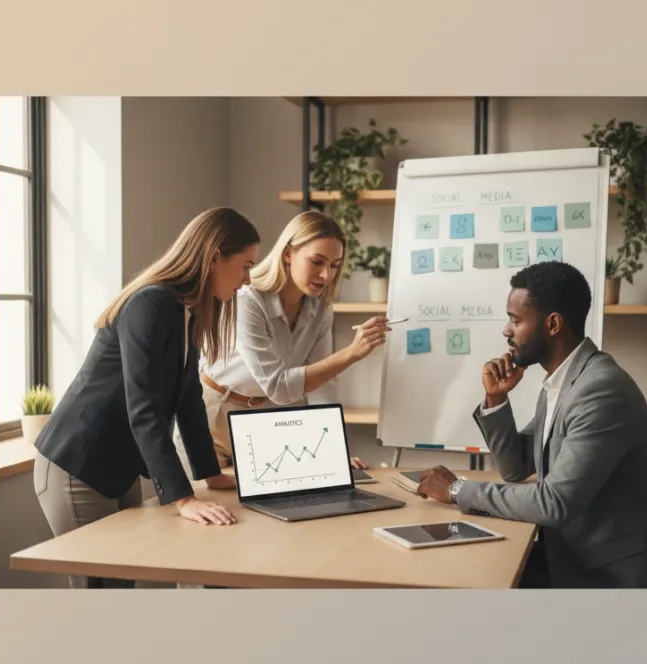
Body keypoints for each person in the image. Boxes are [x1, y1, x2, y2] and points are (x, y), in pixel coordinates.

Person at [415, 260, 647, 589]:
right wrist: (495, 398)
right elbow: (516, 468)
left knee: (472, 580)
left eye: (515, 320)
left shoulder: (600, 391)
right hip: (574, 555)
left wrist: (457, 491)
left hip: (613, 577)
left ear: (553, 323)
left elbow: (554, 502)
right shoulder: (562, 382)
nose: (506, 330)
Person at [32, 207, 260, 588]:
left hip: (116, 467)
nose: (247, 280)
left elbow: (188, 399)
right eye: (245, 266)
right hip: (78, 465)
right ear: (215, 256)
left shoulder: (184, 310)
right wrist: (184, 500)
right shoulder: (150, 304)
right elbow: (145, 409)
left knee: (124, 588)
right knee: (102, 596)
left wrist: (210, 474)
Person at [187, 210, 391, 471]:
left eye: (334, 265)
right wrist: (350, 353)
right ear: (287, 254)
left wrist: (333, 450)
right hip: (212, 413)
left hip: (263, 419)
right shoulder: (248, 299)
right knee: (207, 496)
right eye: (317, 261)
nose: (326, 275)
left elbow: (322, 386)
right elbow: (278, 386)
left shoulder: (320, 308)